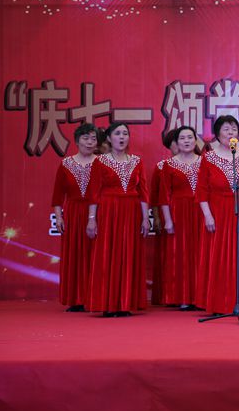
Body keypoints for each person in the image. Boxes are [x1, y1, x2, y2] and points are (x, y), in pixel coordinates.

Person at [196, 115, 239, 314]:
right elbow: (202, 191)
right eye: (226, 129)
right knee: (220, 257)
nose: (230, 133)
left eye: (234, 129)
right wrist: (208, 216)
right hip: (218, 211)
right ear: (217, 134)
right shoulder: (208, 158)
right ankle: (220, 303)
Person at [86, 122, 150, 317]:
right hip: (108, 211)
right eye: (117, 133)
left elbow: (143, 192)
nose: (122, 137)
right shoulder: (100, 162)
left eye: (125, 134)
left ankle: (125, 303)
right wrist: (91, 219)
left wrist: (145, 218)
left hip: (131, 211)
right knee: (107, 254)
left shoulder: (137, 161)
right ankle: (107, 303)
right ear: (109, 138)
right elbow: (94, 193)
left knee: (129, 254)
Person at [51, 123, 99, 312]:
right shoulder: (66, 164)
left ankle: (95, 297)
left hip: (97, 213)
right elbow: (57, 196)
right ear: (77, 141)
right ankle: (76, 299)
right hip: (73, 213)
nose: (90, 142)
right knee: (75, 255)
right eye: (86, 138)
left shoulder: (102, 163)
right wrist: (59, 217)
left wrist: (94, 216)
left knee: (95, 254)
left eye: (93, 138)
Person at [159, 126, 202, 310]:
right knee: (181, 253)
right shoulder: (168, 165)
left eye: (190, 137)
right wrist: (168, 220)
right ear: (176, 142)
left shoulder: (205, 161)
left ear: (195, 140)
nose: (186, 141)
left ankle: (201, 296)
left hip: (201, 211)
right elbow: (164, 195)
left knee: (201, 252)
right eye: (182, 138)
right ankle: (183, 296)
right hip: (179, 212)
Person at [149, 130, 178, 305]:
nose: (179, 144)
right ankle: (170, 293)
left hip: (193, 213)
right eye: (175, 142)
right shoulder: (161, 166)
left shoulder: (200, 163)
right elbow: (154, 196)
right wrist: (157, 217)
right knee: (170, 254)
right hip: (169, 212)